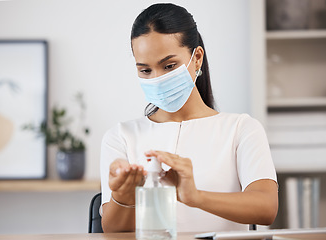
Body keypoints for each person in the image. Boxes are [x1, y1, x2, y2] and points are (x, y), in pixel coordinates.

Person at [100, 3, 278, 233]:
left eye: (169, 65)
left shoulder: (241, 129)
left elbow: (266, 208)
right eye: (145, 70)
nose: (157, 78)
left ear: (197, 59)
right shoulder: (120, 137)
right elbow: (113, 232)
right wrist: (123, 197)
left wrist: (195, 197)